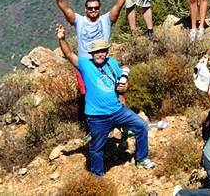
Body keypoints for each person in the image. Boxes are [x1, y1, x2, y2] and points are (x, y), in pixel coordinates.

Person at [55, 26, 155, 174]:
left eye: (103, 51)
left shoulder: (112, 63)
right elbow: (69, 54)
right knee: (96, 148)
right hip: (97, 116)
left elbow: (122, 84)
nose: (100, 54)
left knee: (141, 126)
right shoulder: (85, 65)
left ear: (107, 52)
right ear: (92, 53)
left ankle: (141, 159)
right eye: (97, 52)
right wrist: (62, 39)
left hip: (118, 110)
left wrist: (125, 87)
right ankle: (98, 175)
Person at [52, 0, 128, 117]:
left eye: (96, 8)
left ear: (99, 9)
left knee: (117, 91)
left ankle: (124, 121)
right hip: (85, 64)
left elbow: (118, 6)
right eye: (90, 8)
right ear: (85, 9)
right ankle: (93, 124)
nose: (93, 10)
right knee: (87, 94)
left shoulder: (106, 20)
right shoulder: (79, 20)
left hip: (103, 62)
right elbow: (66, 9)